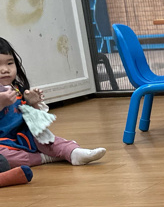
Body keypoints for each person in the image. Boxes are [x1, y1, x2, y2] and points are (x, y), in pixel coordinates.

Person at [0, 38, 106, 167]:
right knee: (4, 159)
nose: (5, 69)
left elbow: (35, 122)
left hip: (25, 137)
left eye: (9, 63)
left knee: (48, 139)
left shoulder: (18, 89)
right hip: (2, 144)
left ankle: (73, 152)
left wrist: (33, 104)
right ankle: (45, 158)